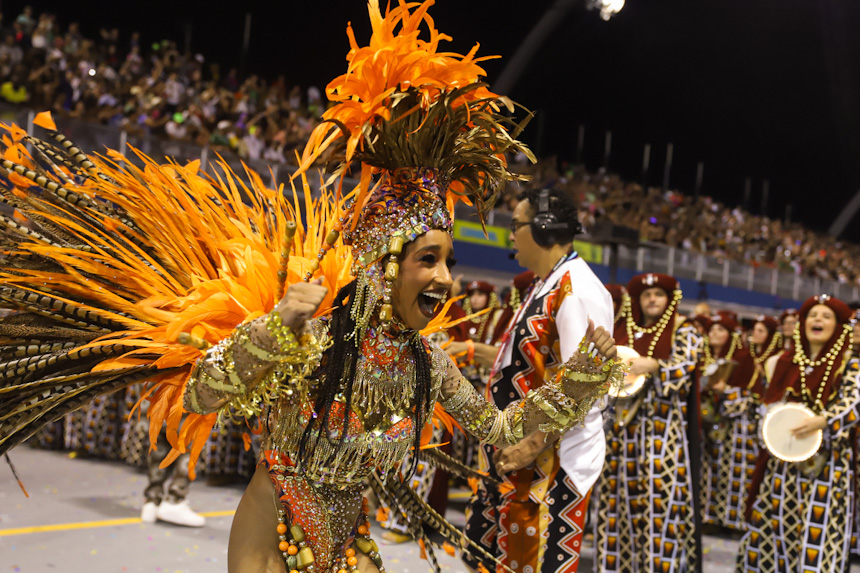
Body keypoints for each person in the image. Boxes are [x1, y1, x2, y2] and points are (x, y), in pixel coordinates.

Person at [0, 4, 623, 573]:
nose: (442, 279)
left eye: (448, 263)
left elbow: (499, 429)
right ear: (382, 268)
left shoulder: (424, 361)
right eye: (428, 260)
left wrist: (575, 389)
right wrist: (273, 333)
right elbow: (200, 396)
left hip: (350, 553)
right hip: (272, 540)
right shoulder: (313, 342)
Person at [455, 186, 614, 573]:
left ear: (543, 229)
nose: (510, 234)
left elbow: (585, 382)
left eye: (516, 225)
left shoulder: (576, 289)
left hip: (547, 464)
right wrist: (468, 351)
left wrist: (532, 444)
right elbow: (529, 361)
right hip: (520, 456)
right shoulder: (548, 282)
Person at [737, 295, 860, 572]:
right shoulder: (784, 362)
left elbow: (853, 406)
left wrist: (822, 421)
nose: (818, 319)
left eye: (826, 316)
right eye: (813, 315)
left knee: (818, 539)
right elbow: (766, 406)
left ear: (839, 327)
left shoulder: (851, 364)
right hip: (781, 465)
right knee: (774, 535)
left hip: (827, 468)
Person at [595, 272, 704, 573]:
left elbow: (686, 366)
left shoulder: (686, 330)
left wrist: (655, 365)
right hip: (618, 436)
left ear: (670, 300)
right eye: (646, 294)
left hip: (663, 438)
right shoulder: (621, 330)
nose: (652, 299)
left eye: (659, 293)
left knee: (662, 511)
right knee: (615, 510)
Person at [713, 315, 782, 532]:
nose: (756, 335)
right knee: (730, 473)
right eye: (755, 330)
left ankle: (744, 520)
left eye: (762, 331)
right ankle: (726, 519)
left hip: (758, 427)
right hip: (736, 427)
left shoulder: (776, 359)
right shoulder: (744, 356)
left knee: (750, 475)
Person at [698, 311, 748, 531]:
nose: (715, 333)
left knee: (730, 472)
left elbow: (751, 394)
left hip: (732, 427)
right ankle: (705, 516)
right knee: (705, 470)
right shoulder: (701, 357)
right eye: (712, 329)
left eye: (720, 329)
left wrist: (727, 391)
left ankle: (729, 520)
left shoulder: (743, 359)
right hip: (704, 422)